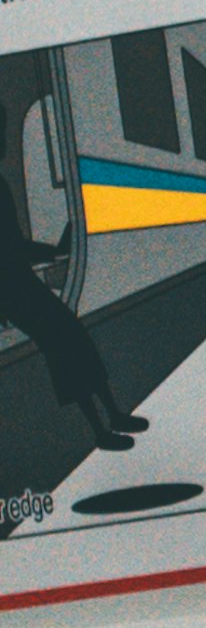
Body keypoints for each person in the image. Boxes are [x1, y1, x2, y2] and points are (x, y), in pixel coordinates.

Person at [0, 171, 139, 454]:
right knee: (66, 348)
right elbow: (8, 246)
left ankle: (111, 417)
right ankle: (102, 428)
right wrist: (53, 251)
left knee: (71, 342)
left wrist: (51, 252)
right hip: (12, 289)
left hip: (17, 285)